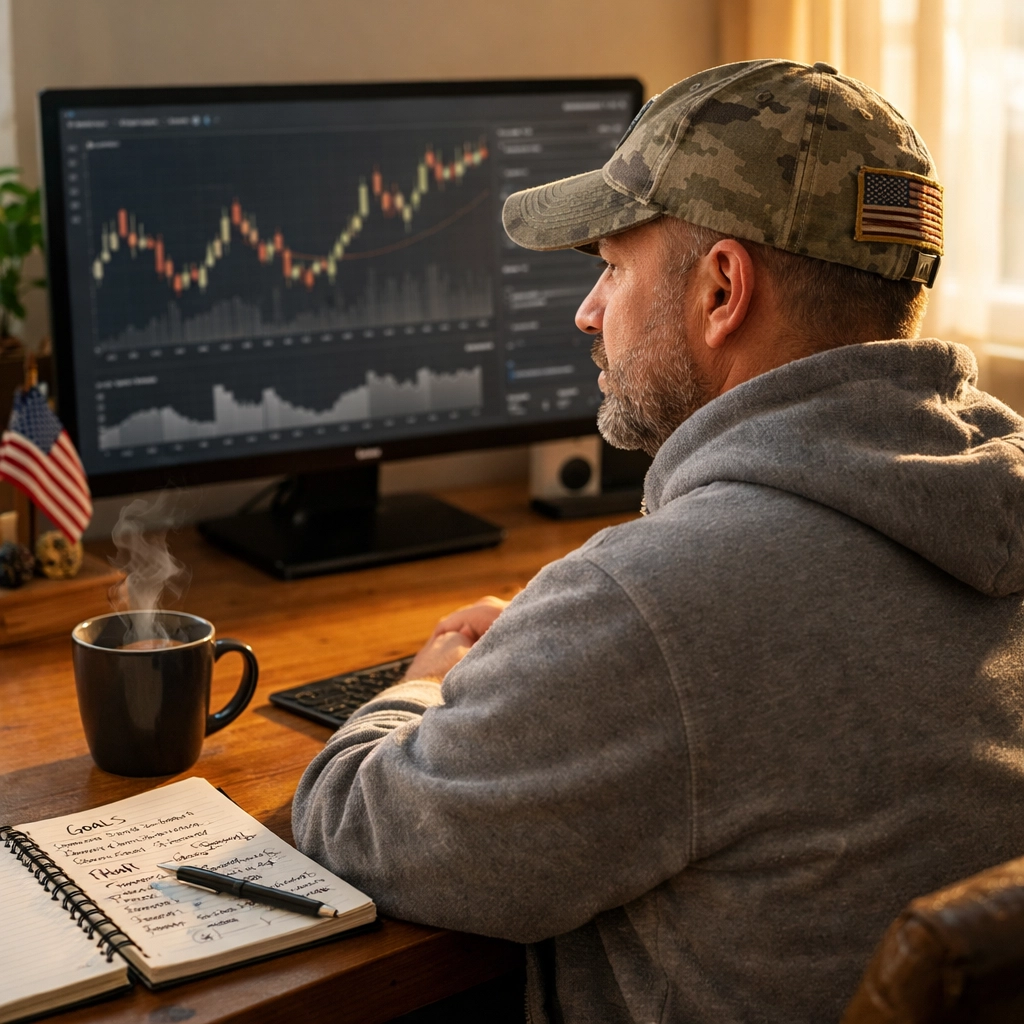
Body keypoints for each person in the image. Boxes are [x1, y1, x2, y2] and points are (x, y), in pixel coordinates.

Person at [293, 59, 1024, 1024]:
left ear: (722, 289)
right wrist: (569, 658)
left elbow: (359, 832)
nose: (587, 311)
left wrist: (426, 684)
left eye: (611, 265)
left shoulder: (655, 606)